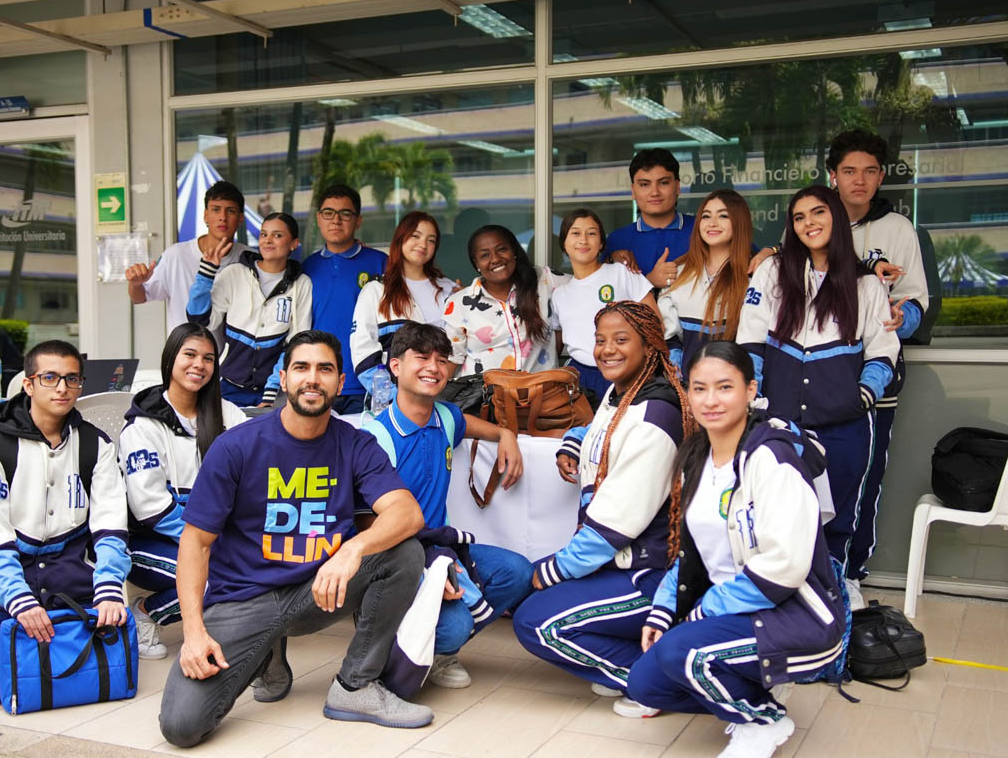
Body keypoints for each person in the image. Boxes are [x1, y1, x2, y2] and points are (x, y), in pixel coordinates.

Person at [158, 330, 432, 747]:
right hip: (243, 599)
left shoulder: (356, 444)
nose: (312, 379)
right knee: (182, 726)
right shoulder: (236, 446)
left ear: (341, 384)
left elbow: (407, 513)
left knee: (404, 554)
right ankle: (266, 654)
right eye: (301, 368)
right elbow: (195, 543)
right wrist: (193, 633)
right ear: (283, 378)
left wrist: (352, 551)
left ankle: (355, 686)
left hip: (316, 591)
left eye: (325, 369)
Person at [626, 341, 844, 758]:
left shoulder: (772, 459)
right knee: (644, 684)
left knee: (680, 650)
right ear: (687, 393)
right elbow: (694, 553)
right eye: (699, 388)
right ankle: (752, 683)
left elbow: (785, 565)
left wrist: (703, 613)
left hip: (794, 614)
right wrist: (663, 609)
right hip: (733, 609)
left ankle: (763, 721)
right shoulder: (698, 457)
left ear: (750, 390)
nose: (711, 400)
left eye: (724, 387)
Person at [512, 300, 693, 718]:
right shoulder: (626, 390)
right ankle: (646, 655)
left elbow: (612, 529)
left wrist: (548, 572)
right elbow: (602, 429)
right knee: (536, 591)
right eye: (600, 340)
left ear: (650, 346)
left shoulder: (655, 413)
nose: (606, 349)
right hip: (618, 564)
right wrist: (576, 441)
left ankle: (657, 682)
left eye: (621, 339)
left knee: (535, 620)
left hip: (650, 574)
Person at [737, 185, 898, 591]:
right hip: (780, 420)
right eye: (799, 217)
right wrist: (752, 398)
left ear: (836, 219)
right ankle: (788, 594)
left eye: (819, 212)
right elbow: (751, 338)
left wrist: (860, 396)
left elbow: (883, 354)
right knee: (781, 512)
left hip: (844, 424)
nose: (809, 223)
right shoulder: (773, 272)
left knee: (841, 516)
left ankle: (840, 589)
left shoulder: (866, 286)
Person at [361, 323, 531, 689]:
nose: (434, 368)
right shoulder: (377, 436)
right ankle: (399, 646)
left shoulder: (445, 417)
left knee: (516, 572)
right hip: (398, 556)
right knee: (456, 626)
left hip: (441, 548)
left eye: (442, 360)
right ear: (395, 367)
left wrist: (506, 434)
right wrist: (427, 571)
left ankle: (438, 651)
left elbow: (468, 423)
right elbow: (374, 528)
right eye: (421, 358)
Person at [0, 340, 130, 704]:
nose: (62, 388)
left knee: (100, 673)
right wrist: (19, 600)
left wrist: (109, 586)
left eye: (72, 379)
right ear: (29, 384)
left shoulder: (96, 445)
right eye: (50, 377)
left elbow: (110, 525)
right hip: (16, 574)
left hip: (74, 575)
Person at [825, 130, 931, 604]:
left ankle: (850, 575)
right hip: (817, 376)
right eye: (849, 171)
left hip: (875, 378)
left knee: (863, 481)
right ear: (833, 176)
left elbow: (917, 307)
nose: (859, 180)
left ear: (881, 175)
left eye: (869, 171)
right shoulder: (812, 221)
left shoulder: (900, 229)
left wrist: (899, 316)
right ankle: (809, 573)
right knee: (809, 478)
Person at [118, 323, 248, 659]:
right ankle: (146, 612)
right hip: (147, 540)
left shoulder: (228, 415)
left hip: (211, 537)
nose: (199, 365)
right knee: (212, 579)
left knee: (245, 569)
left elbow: (253, 478)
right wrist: (208, 541)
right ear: (169, 360)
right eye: (189, 355)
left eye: (208, 358)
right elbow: (150, 508)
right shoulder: (143, 427)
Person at [185, 212, 312, 407]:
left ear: (294, 243)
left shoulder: (301, 284)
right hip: (228, 387)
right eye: (263, 235)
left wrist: (271, 393)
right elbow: (199, 322)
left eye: (277, 235)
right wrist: (206, 274)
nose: (268, 240)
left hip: (274, 393)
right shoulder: (234, 274)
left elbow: (297, 343)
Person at [301, 184, 387, 414]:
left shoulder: (380, 263)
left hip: (365, 382)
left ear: (358, 220)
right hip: (318, 380)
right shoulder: (306, 267)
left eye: (345, 214)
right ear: (319, 218)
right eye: (328, 213)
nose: (336, 220)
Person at [550, 208, 654, 396]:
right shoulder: (560, 295)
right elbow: (556, 343)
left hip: (625, 370)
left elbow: (654, 321)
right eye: (575, 233)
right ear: (564, 244)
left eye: (591, 233)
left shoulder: (621, 273)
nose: (583, 240)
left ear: (601, 244)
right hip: (580, 378)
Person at [351, 211, 456, 394]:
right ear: (401, 239)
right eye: (415, 236)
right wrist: (392, 397)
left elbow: (461, 347)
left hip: (446, 397)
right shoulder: (376, 290)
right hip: (395, 402)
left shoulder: (449, 290)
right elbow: (363, 351)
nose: (423, 244)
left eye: (431, 240)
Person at [126, 181, 252, 334]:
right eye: (216, 210)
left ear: (240, 218)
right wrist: (136, 284)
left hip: (233, 357)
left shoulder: (250, 259)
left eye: (230, 211)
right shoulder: (176, 255)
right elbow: (140, 297)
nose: (222, 217)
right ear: (206, 215)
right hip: (183, 354)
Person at [443, 225, 565, 377]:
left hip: (541, 394)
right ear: (476, 264)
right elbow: (452, 359)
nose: (495, 259)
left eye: (501, 249)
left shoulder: (545, 279)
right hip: (483, 398)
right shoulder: (460, 303)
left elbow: (585, 284)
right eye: (485, 255)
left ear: (514, 251)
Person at [658, 190, 753, 377]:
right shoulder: (678, 273)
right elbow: (670, 338)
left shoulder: (753, 275)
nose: (712, 223)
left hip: (732, 389)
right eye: (706, 216)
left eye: (723, 216)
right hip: (687, 390)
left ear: (739, 222)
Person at [603, 148, 690, 289]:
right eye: (644, 184)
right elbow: (605, 297)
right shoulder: (617, 240)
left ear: (678, 187)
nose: (654, 192)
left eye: (663, 183)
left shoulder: (701, 231)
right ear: (633, 191)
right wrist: (649, 282)